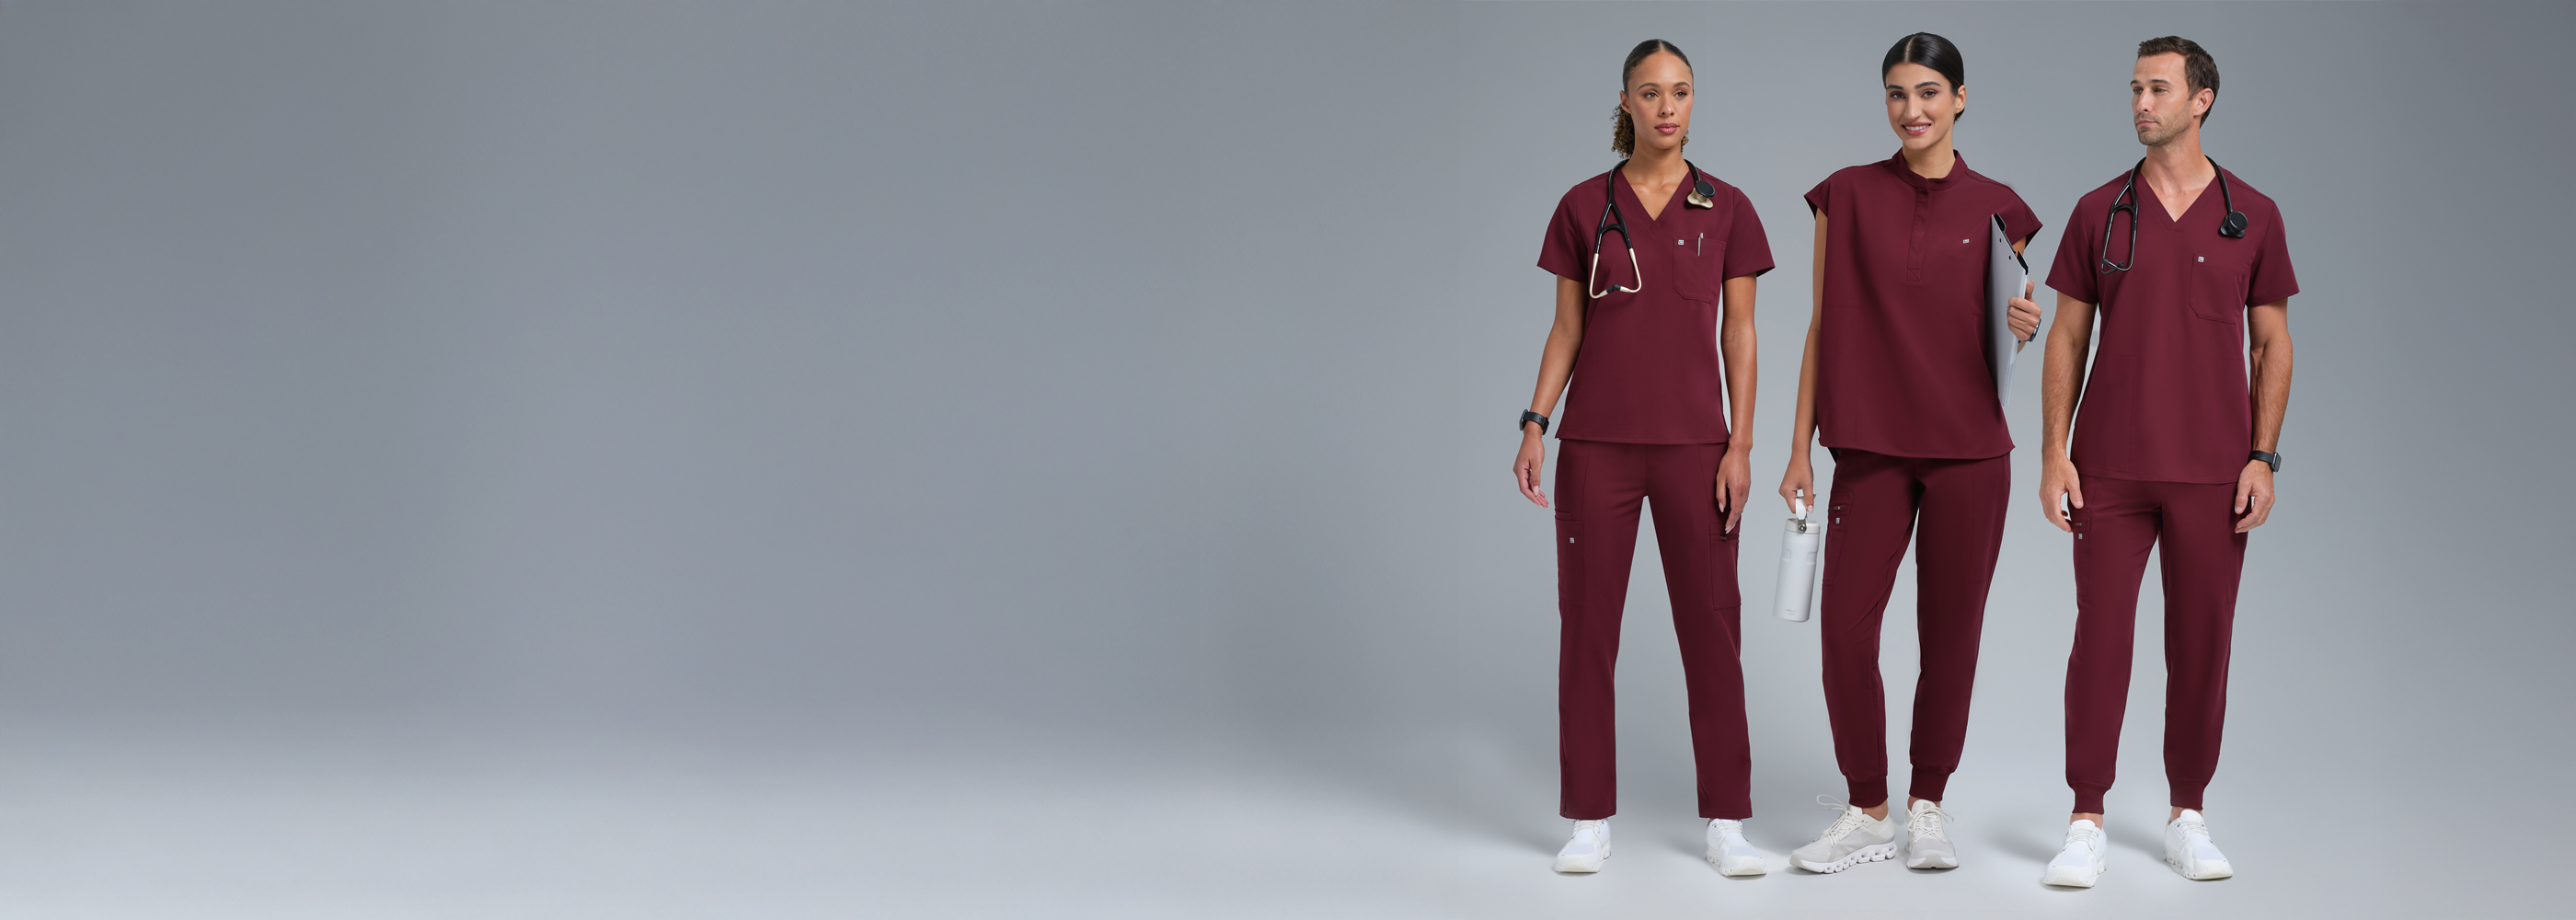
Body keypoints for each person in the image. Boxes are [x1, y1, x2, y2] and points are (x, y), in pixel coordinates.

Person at [2032, 36, 2296, 889]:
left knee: (2202, 643)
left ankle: (2189, 812)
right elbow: (2067, 336)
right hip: (2109, 465)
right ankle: (2085, 818)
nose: (2142, 103)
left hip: (2215, 473)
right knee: (2099, 640)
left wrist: (2261, 457)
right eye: (2135, 89)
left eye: (2158, 88)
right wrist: (2054, 453)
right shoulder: (2098, 210)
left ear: (2202, 99)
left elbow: (2274, 345)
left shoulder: (2251, 213)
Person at [1777, 33, 2041, 875]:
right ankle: (1867, 807)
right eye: (1897, 94)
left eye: (1929, 93)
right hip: (1869, 447)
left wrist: (2024, 333)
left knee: (1950, 633)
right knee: (1845, 635)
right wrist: (1798, 449)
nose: (1912, 110)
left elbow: (2006, 330)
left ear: (1960, 98)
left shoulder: (2001, 206)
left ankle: (1928, 805)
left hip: (1969, 451)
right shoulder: (1844, 196)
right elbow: (1821, 323)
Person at [1515, 38, 1771, 878]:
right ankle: (1588, 817)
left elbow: (1741, 332)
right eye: (1651, 92)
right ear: (1625, 103)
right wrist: (1534, 422)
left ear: (1695, 103)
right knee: (1587, 631)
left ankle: (1728, 820)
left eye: (1683, 92)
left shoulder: (1726, 207)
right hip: (1596, 449)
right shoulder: (1584, 206)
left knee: (1713, 632)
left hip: (1697, 451)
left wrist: (1740, 444)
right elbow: (1567, 329)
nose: (1668, 106)